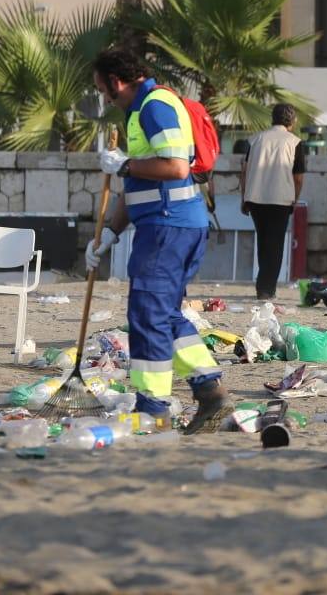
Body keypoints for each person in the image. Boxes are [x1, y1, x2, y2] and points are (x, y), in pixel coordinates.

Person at [85, 49, 234, 433]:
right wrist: (109, 234)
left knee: (147, 315)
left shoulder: (155, 106)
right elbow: (136, 189)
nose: (105, 99)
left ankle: (153, 408)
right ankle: (208, 390)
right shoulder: (142, 112)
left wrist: (125, 164)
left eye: (104, 90)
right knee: (164, 313)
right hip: (170, 226)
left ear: (117, 82)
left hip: (169, 228)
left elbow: (176, 167)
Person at [240, 103, 306, 300]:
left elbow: (244, 171)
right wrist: (295, 197)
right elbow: (298, 177)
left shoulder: (256, 139)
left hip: (256, 198)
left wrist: (244, 197)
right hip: (280, 199)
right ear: (292, 121)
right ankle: (267, 288)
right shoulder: (294, 142)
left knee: (263, 241)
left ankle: (263, 285)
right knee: (275, 244)